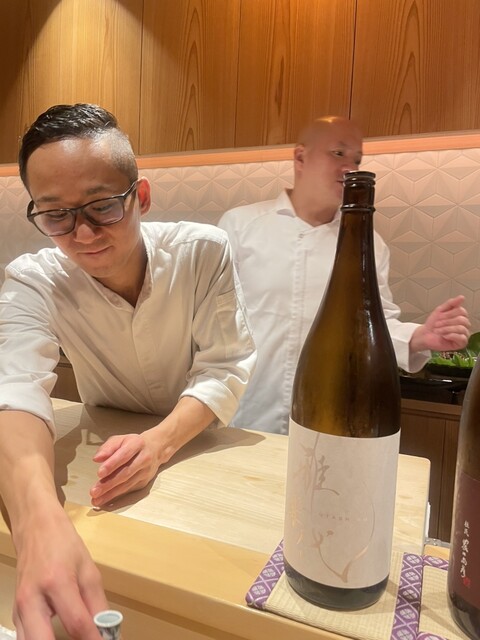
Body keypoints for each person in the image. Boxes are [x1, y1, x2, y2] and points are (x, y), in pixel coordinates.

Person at [0, 104, 256, 639]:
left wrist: (159, 445)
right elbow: (14, 388)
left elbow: (225, 364)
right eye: (56, 215)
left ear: (140, 196)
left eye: (101, 207)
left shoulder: (201, 252)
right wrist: (37, 518)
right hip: (105, 464)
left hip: (201, 448)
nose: (82, 233)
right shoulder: (33, 279)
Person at [218, 115, 470, 435]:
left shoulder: (368, 245)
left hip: (330, 417)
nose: (350, 167)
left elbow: (374, 324)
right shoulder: (240, 227)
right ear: (300, 157)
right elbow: (210, 324)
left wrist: (419, 338)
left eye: (357, 159)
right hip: (244, 418)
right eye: (338, 153)